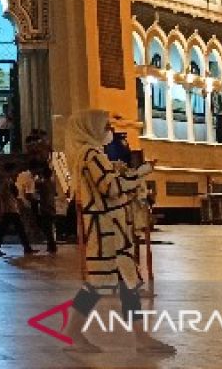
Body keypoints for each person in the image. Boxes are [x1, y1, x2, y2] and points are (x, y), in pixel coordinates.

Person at [59, 110, 172, 355]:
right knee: (110, 285)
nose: (109, 130)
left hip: (107, 232)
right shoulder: (91, 155)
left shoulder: (88, 155)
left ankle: (135, 337)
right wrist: (140, 173)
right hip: (107, 233)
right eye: (105, 126)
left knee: (114, 285)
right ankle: (135, 338)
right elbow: (111, 187)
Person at [0, 164, 34, 257]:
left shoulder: (9, 181)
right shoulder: (6, 182)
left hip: (11, 208)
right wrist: (0, 208)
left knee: (5, 229)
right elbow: (1, 196)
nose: (15, 172)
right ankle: (27, 248)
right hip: (9, 209)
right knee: (18, 229)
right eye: (14, 170)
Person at [35, 164, 58, 253]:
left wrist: (38, 177)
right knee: (50, 228)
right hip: (52, 207)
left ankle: (52, 246)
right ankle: (51, 245)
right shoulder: (52, 183)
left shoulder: (43, 184)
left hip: (45, 208)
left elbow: (36, 186)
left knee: (47, 228)